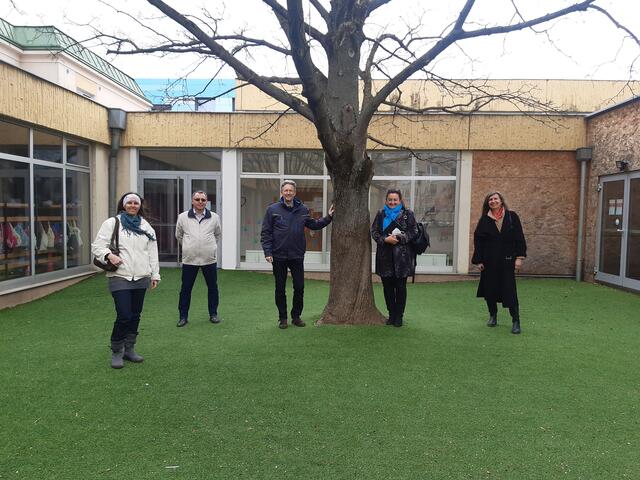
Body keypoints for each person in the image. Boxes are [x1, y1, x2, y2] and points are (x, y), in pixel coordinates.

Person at [91, 192, 160, 369]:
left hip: (141, 277)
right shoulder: (112, 223)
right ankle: (116, 350)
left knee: (135, 315)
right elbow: (97, 246)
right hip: (120, 276)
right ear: (123, 205)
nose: (132, 205)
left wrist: (155, 274)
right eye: (129, 202)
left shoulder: (146, 227)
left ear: (140, 206)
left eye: (135, 203)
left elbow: (152, 253)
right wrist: (109, 255)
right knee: (124, 315)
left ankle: (130, 349)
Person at [260, 180, 334, 329]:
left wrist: (329, 217)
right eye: (285, 190)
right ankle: (282, 318)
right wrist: (268, 252)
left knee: (299, 287)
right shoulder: (272, 209)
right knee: (280, 288)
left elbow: (313, 224)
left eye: (291, 191)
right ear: (282, 192)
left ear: (295, 192)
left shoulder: (303, 209)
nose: (288, 193)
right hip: (278, 255)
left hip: (296, 255)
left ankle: (296, 316)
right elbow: (266, 233)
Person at [472, 191, 527, 334]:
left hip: (507, 261)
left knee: (510, 292)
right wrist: (478, 260)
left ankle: (516, 321)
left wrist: (519, 258)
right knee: (489, 290)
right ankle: (493, 315)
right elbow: (478, 241)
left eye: (496, 198)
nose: (493, 201)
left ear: (501, 201)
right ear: (487, 203)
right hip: (489, 262)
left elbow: (519, 237)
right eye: (490, 199)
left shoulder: (512, 217)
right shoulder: (484, 220)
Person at [371, 189, 418, 327]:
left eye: (395, 200)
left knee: (401, 288)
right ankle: (391, 314)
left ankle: (399, 316)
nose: (392, 202)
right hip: (384, 257)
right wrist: (385, 239)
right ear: (386, 200)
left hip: (401, 257)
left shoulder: (407, 214)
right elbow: (374, 231)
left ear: (400, 200)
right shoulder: (381, 214)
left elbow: (413, 231)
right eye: (390, 200)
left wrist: (400, 238)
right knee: (387, 288)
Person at [175, 191, 222, 327]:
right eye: (197, 199)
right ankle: (183, 316)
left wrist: (210, 247)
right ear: (192, 201)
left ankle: (213, 314)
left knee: (212, 287)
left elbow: (217, 234)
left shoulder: (214, 217)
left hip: (209, 259)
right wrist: (189, 246)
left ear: (206, 201)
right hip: (190, 260)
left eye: (203, 200)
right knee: (186, 289)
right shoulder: (183, 217)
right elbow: (179, 235)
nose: (200, 202)